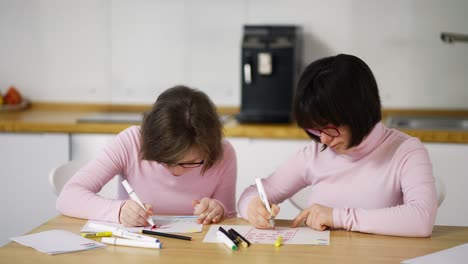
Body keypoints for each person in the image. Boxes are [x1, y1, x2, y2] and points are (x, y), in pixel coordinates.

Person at [237, 54, 437, 237]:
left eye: (330, 128)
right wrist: (253, 207)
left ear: (360, 113)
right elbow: (252, 193)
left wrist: (337, 217)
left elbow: (421, 218)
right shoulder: (315, 154)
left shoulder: (406, 151)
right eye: (315, 130)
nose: (323, 140)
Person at [57, 85, 237, 227]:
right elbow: (68, 196)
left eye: (188, 163)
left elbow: (229, 217)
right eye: (166, 160)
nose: (175, 170)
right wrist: (118, 211)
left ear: (209, 148)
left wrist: (218, 210)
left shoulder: (223, 153)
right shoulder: (132, 142)